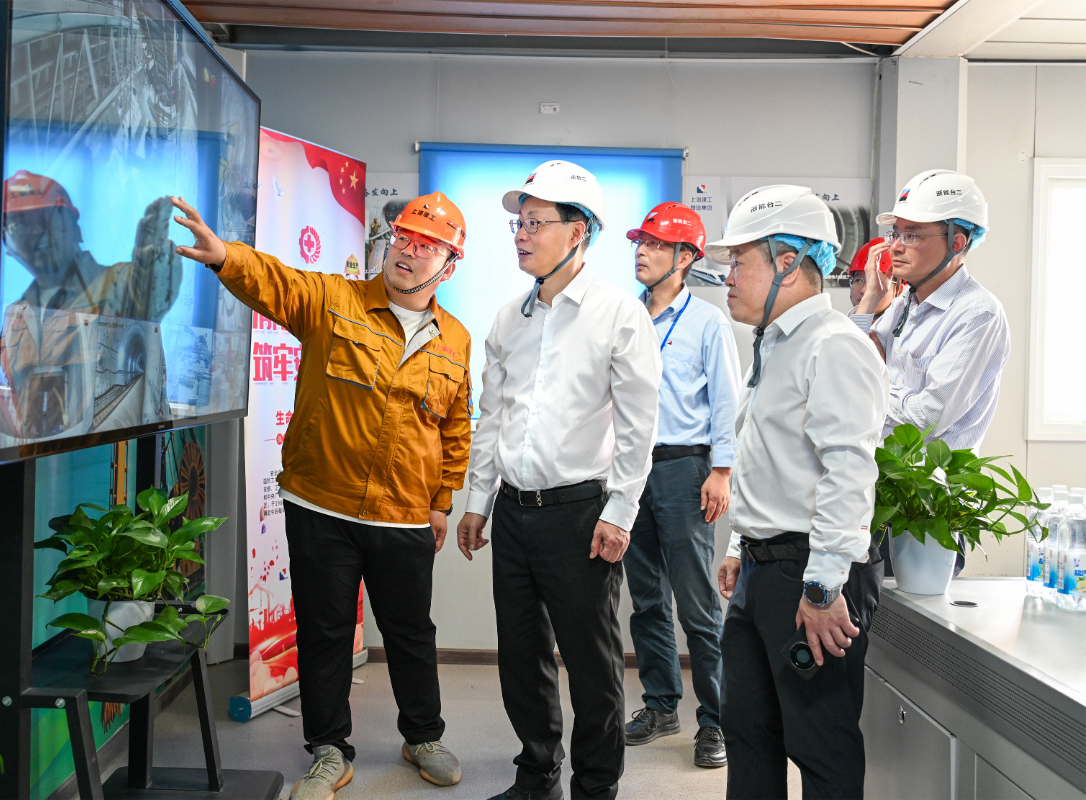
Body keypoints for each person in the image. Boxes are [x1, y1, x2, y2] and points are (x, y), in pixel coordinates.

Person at [170, 192, 473, 800]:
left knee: (411, 633)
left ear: (449, 265)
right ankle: (329, 750)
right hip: (322, 506)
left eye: (426, 245)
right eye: (403, 238)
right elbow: (277, 283)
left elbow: (455, 426)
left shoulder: (456, 340)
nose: (408, 251)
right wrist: (225, 255)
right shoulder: (336, 301)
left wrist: (442, 501)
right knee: (324, 632)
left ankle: (423, 736)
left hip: (403, 514)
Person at [456, 160, 661, 800]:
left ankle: (595, 787)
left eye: (535, 223)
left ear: (578, 232)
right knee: (521, 657)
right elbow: (493, 416)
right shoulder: (507, 319)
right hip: (514, 513)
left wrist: (620, 512)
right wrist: (478, 501)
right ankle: (538, 773)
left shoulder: (618, 314)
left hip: (581, 515)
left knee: (593, 664)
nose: (521, 234)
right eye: (518, 223)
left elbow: (639, 426)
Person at [709, 185, 888, 799]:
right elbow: (768, 457)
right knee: (747, 733)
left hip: (811, 575)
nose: (728, 276)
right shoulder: (774, 343)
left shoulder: (834, 345)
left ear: (788, 262)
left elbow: (849, 473)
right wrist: (741, 545)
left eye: (740, 261)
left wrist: (822, 587)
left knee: (820, 744)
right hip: (764, 569)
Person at [622, 202, 739, 768]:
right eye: (639, 243)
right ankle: (661, 705)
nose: (641, 252)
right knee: (646, 599)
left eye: (654, 244)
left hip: (685, 468)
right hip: (630, 470)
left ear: (686, 256)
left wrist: (722, 470)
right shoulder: (626, 316)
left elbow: (726, 400)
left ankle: (715, 721)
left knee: (696, 604)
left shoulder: (706, 321)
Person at [853, 170, 1008, 575]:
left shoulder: (977, 313)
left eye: (913, 235)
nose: (895, 246)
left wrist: (875, 387)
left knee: (905, 615)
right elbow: (848, 366)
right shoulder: (907, 303)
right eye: (895, 233)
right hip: (877, 495)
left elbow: (925, 418)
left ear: (957, 242)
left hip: (924, 511)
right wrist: (870, 300)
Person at [0, 170, 183, 442]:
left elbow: (150, 290)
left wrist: (152, 258)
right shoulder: (16, 315)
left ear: (74, 227)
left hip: (106, 451)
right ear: (8, 245)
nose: (37, 234)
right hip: (37, 454)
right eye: (18, 226)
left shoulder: (118, 286)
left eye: (46, 219)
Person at [846, 237, 896, 321]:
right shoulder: (840, 326)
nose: (864, 290)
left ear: (899, 289)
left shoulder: (908, 328)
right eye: (858, 280)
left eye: (877, 281)